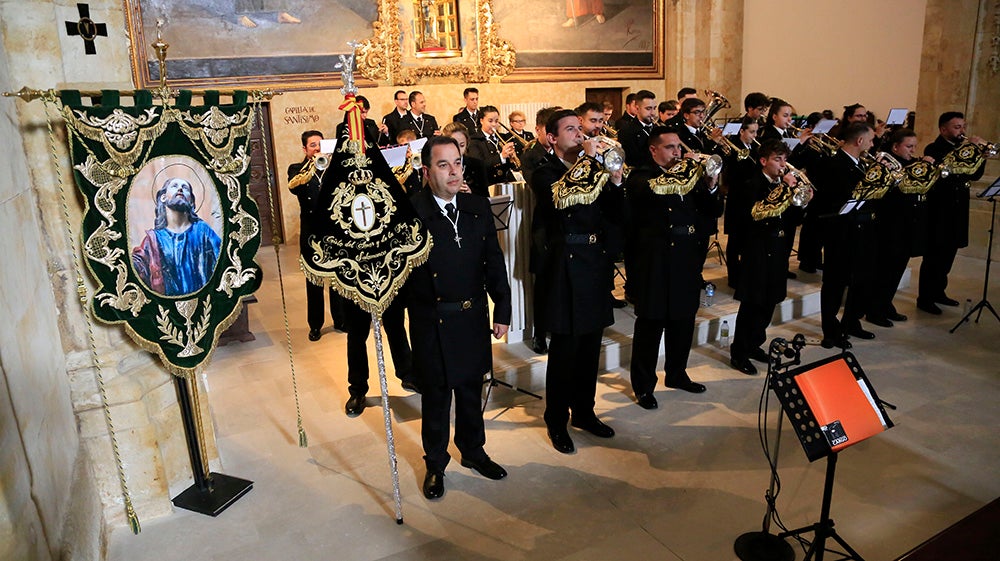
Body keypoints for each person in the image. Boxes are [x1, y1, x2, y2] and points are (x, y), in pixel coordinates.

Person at [407, 136, 512, 500]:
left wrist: (503, 307)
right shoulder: (411, 213)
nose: (454, 172)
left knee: (470, 391)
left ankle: (473, 450)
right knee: (436, 398)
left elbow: (493, 262)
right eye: (443, 164)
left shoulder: (477, 206)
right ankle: (436, 463)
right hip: (430, 321)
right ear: (426, 171)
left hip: (472, 316)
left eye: (457, 163)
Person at [531, 109, 624, 453]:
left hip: (594, 264)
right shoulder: (544, 172)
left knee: (590, 349)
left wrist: (614, 181)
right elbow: (558, 201)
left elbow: (615, 214)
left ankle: (584, 412)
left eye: (579, 128)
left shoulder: (596, 168)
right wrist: (589, 161)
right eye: (570, 129)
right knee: (565, 352)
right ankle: (556, 419)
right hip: (564, 267)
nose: (579, 133)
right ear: (553, 138)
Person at [625, 128, 723, 410]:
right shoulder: (642, 176)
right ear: (654, 150)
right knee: (651, 326)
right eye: (670, 148)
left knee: (683, 321)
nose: (677, 153)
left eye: (679, 147)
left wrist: (711, 182)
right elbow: (653, 193)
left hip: (686, 258)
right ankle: (643, 386)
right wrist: (688, 171)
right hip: (654, 261)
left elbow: (712, 209)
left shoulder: (690, 177)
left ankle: (677, 374)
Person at [729, 140, 805, 375]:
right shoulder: (752, 185)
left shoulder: (782, 185)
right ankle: (739, 352)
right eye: (777, 159)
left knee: (770, 301)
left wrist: (800, 201)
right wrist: (784, 189)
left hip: (779, 249)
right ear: (763, 161)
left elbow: (792, 218)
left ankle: (754, 344)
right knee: (752, 305)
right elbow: (757, 215)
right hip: (757, 250)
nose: (783, 165)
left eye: (784, 159)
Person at [917, 112, 987, 314]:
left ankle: (939, 291)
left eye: (963, 126)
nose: (962, 131)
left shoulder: (960, 148)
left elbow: (975, 174)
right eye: (957, 127)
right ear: (943, 129)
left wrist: (980, 155)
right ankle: (925, 298)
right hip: (939, 210)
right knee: (934, 256)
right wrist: (969, 149)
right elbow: (949, 171)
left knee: (949, 254)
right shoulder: (934, 148)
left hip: (957, 209)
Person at [813, 122, 875, 348]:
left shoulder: (862, 164)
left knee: (859, 279)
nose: (872, 144)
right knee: (834, 283)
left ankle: (851, 322)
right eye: (870, 140)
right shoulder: (833, 164)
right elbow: (829, 200)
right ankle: (830, 330)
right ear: (859, 141)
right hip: (839, 232)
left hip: (861, 230)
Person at [284, 131, 346, 340]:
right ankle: (316, 325)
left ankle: (340, 319)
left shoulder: (334, 168)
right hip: (311, 232)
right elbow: (294, 188)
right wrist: (314, 166)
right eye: (313, 145)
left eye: (320, 144)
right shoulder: (296, 169)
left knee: (337, 278)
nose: (317, 148)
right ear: (305, 149)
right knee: (315, 279)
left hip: (333, 230)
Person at [868, 129, 929, 325]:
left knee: (897, 269)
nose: (913, 151)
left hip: (907, 226)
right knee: (884, 271)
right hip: (889, 227)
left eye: (914, 147)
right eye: (909, 147)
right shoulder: (886, 165)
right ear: (895, 147)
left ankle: (886, 303)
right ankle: (875, 309)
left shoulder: (912, 165)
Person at [132, 177, 222, 297]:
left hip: (202, 300)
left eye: (185, 188)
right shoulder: (153, 239)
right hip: (168, 306)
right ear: (163, 198)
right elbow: (138, 263)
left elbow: (222, 256)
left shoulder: (202, 230)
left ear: (190, 202)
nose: (180, 189)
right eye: (174, 186)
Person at [721, 117, 761, 289]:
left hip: (752, 200)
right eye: (751, 132)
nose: (755, 135)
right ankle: (733, 277)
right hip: (738, 200)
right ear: (742, 132)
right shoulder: (733, 148)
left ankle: (745, 274)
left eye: (756, 132)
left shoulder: (755, 149)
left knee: (748, 240)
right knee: (735, 241)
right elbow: (731, 174)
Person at [466, 105, 518, 184]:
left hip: (505, 181)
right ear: (481, 121)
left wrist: (511, 159)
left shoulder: (502, 138)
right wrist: (501, 156)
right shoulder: (474, 141)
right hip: (487, 183)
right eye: (490, 121)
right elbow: (479, 166)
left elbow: (509, 167)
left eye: (496, 121)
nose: (494, 124)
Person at [440, 121, 490, 197]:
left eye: (462, 145)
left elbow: (485, 197)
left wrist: (470, 192)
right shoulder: (438, 166)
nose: (458, 150)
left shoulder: (478, 165)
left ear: (467, 144)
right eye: (454, 145)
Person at [618, 90, 657, 168]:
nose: (653, 113)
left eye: (654, 108)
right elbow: (631, 160)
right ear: (637, 108)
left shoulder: (658, 129)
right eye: (648, 109)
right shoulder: (627, 131)